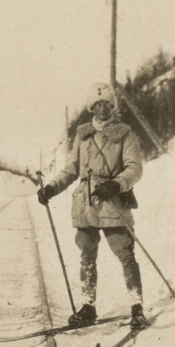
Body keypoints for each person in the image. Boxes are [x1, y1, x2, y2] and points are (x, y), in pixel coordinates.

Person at [37, 82, 146, 329]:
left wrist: (117, 185)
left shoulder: (126, 134)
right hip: (86, 204)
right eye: (97, 105)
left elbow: (134, 168)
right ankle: (88, 306)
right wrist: (52, 187)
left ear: (113, 106)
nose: (102, 109)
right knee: (87, 256)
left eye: (107, 104)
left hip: (113, 202)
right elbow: (71, 168)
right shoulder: (83, 135)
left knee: (125, 254)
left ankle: (137, 306)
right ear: (91, 108)